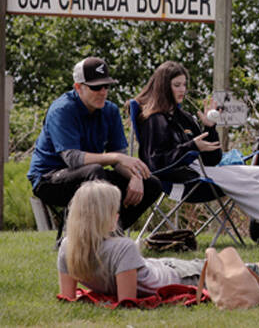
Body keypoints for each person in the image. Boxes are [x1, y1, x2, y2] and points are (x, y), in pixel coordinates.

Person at [134, 61, 259, 251]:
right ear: (164, 86)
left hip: (204, 169)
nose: (182, 90)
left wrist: (209, 127)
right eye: (177, 85)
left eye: (184, 85)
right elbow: (157, 163)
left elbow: (212, 158)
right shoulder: (155, 120)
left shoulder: (183, 118)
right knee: (253, 185)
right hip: (183, 179)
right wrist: (191, 147)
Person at [57, 181, 259, 301]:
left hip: (158, 269)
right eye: (113, 211)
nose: (118, 216)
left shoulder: (69, 246)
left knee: (209, 263)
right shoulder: (122, 247)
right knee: (218, 268)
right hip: (175, 278)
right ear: (102, 217)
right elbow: (127, 301)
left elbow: (68, 296)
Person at [28, 57, 162, 230]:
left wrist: (135, 177)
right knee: (96, 172)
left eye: (106, 86)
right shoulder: (62, 110)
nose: (103, 92)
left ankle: (113, 232)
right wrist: (116, 157)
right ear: (78, 87)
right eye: (96, 87)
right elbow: (73, 159)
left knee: (152, 183)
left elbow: (119, 160)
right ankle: (91, 236)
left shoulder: (111, 111)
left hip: (90, 175)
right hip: (48, 179)